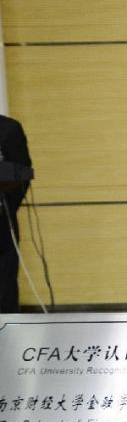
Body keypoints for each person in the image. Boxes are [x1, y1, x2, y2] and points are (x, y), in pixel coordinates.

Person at [0, 115, 32, 314]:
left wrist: (5, 209)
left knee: (4, 291)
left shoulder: (8, 129)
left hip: (2, 227)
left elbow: (22, 175)